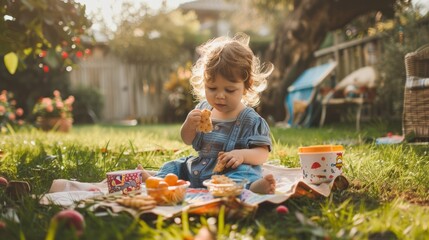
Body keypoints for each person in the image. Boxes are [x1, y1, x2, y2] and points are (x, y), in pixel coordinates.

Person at [139, 32, 276, 194]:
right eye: (212, 88)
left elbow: (262, 154)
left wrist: (242, 155)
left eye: (229, 90)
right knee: (175, 166)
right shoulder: (203, 109)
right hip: (200, 168)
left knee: (245, 173)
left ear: (247, 86)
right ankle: (159, 182)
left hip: (231, 172)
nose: (219, 95)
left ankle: (254, 187)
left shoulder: (250, 120)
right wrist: (189, 124)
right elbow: (187, 139)